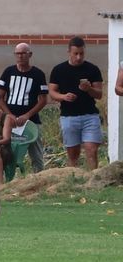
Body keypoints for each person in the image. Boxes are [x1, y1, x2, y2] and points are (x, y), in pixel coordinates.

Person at [47, 36, 105, 169]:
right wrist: (63, 97)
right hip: (68, 116)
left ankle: (93, 180)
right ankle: (73, 180)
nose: (79, 57)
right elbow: (52, 92)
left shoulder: (92, 69)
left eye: (81, 54)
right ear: (69, 52)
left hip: (90, 115)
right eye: (76, 54)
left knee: (92, 150)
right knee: (73, 154)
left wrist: (89, 88)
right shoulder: (59, 70)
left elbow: (99, 94)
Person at [0, 43, 48, 176]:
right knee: (5, 148)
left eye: (23, 53)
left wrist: (27, 115)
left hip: (31, 120)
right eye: (17, 53)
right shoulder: (8, 72)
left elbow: (43, 100)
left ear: (30, 54)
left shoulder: (38, 74)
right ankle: (4, 179)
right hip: (9, 120)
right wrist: (9, 115)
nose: (20, 56)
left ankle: (39, 177)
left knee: (36, 153)